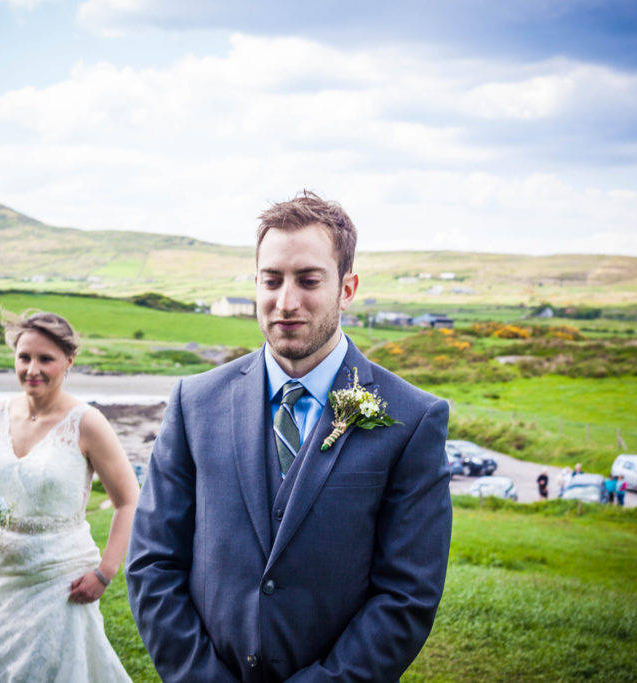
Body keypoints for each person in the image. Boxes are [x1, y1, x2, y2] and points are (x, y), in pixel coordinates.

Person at [126, 191, 452, 682]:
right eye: (272, 280)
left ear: (347, 288)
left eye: (308, 280)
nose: (286, 302)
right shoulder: (194, 403)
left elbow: (406, 595)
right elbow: (153, 564)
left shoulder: (413, 418)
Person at [0, 310, 139, 681]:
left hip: (60, 582)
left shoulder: (87, 422)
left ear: (68, 361)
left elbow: (129, 501)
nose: (32, 369)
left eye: (46, 359)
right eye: (24, 357)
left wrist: (105, 573)